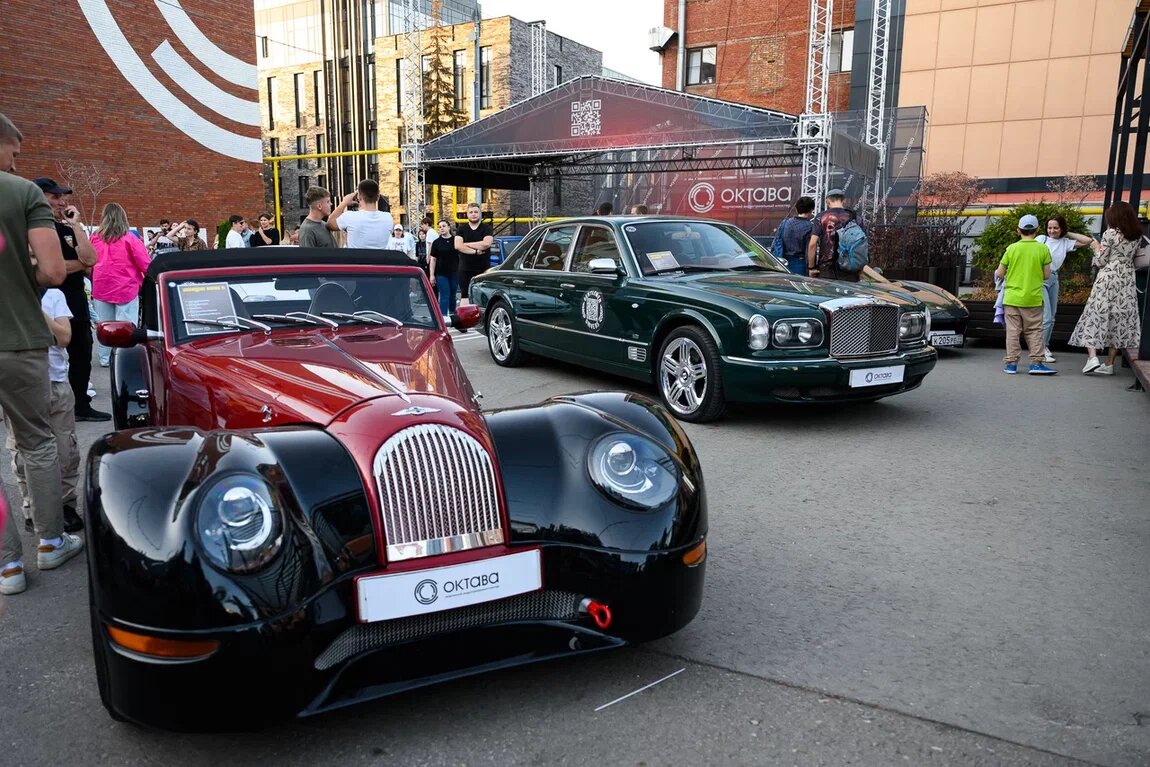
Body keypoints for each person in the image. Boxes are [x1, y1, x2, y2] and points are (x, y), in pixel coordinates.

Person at [0, 112, 82, 596]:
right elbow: (54, 272)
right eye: (14, 151)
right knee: (37, 443)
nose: (16, 160)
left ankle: (7, 566)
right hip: (18, 338)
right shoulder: (21, 192)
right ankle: (50, 542)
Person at [6, 288, 84, 534]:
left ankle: (65, 505)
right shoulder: (7, 296)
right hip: (18, 387)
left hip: (55, 382)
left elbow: (63, 337)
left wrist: (34, 308)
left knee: (64, 449)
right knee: (23, 451)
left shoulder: (53, 295)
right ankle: (33, 508)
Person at [31, 177, 109, 421]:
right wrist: (74, 265)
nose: (61, 201)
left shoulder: (67, 228)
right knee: (45, 356)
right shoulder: (31, 228)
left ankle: (81, 407)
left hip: (74, 298)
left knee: (82, 352)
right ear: (39, 196)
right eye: (55, 196)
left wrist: (76, 226)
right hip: (44, 300)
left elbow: (91, 260)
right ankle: (42, 409)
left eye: (62, 196)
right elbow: (45, 267)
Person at [1070, 201, 1143, 375]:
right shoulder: (1136, 235)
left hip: (1108, 277)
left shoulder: (1110, 233)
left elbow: (1101, 261)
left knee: (1095, 313)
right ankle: (1109, 364)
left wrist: (1096, 248)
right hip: (1126, 278)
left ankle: (1092, 358)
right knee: (1118, 319)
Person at [91, 202, 151, 367]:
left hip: (101, 285)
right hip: (126, 287)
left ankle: (105, 358)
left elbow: (89, 261)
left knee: (104, 324)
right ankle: (124, 357)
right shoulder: (130, 238)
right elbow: (145, 264)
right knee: (125, 325)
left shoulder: (95, 238)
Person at [994, 214, 1056, 375]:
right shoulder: (1043, 249)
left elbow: (1000, 273)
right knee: (1034, 330)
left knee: (1013, 331)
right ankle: (1036, 363)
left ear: (1018, 230)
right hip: (1033, 298)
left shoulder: (1012, 248)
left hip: (1012, 298)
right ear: (1037, 230)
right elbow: (1047, 275)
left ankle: (1011, 364)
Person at [1035, 216, 1095, 363]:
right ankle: (1041, 350)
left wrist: (1067, 233)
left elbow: (1088, 241)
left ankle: (1045, 347)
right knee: (1047, 317)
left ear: (1061, 228)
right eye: (1049, 227)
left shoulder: (1065, 242)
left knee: (1052, 316)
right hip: (1040, 278)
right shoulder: (1041, 239)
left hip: (1054, 278)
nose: (1052, 231)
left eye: (1056, 228)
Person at [808, 188, 861, 282]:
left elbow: (812, 244)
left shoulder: (821, 217)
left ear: (827, 201)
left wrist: (811, 267)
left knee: (829, 295)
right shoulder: (855, 217)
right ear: (844, 200)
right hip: (850, 265)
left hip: (827, 266)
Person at [328, 179, 394, 248]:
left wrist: (344, 203)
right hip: (380, 258)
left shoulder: (350, 217)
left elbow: (330, 224)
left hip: (356, 258)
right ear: (378, 197)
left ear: (358, 196)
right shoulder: (388, 218)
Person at [455, 202, 493, 305]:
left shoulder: (486, 228)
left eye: (476, 212)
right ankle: (465, 320)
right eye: (471, 212)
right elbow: (458, 246)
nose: (473, 214)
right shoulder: (461, 229)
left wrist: (466, 244)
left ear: (480, 213)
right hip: (465, 269)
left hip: (483, 269)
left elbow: (486, 244)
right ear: (467, 214)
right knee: (465, 296)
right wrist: (475, 251)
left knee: (484, 296)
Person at [779, 196, 816, 276]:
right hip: (801, 263)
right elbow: (810, 248)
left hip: (783, 262)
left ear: (796, 209)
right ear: (811, 211)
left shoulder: (785, 223)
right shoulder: (811, 226)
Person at [429, 220, 459, 317]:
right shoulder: (436, 242)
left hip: (454, 272)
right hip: (441, 273)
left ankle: (453, 313)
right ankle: (443, 316)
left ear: (449, 227)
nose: (441, 228)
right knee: (445, 294)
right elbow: (433, 259)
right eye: (440, 227)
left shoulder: (456, 240)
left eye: (443, 226)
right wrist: (432, 275)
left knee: (453, 294)